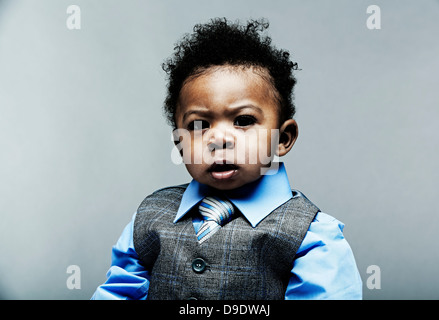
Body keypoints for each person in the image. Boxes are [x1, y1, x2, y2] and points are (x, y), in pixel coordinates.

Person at [91, 18, 362, 300]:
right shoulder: (150, 217)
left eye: (243, 120)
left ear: (282, 139)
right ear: (180, 144)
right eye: (198, 125)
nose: (219, 139)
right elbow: (118, 293)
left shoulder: (311, 236)